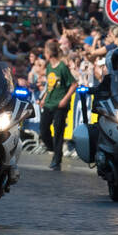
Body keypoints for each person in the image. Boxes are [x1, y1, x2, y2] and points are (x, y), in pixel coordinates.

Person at [39, 39, 78, 171]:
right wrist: (44, 98)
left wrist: (65, 100)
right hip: (49, 103)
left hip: (60, 105)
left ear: (49, 53)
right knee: (43, 130)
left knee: (58, 131)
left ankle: (57, 159)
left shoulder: (62, 67)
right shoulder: (49, 67)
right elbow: (50, 86)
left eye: (45, 51)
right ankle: (53, 149)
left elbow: (74, 84)